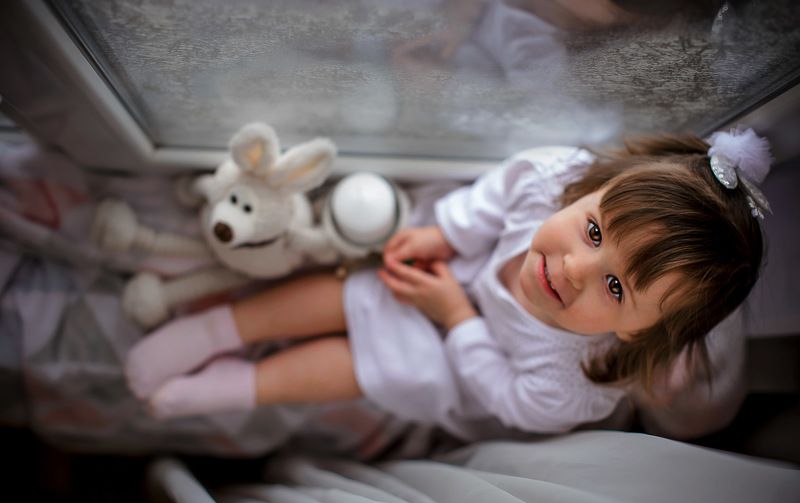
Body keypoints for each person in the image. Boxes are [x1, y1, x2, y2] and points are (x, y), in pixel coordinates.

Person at [124, 127, 770, 441]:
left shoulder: (575, 385)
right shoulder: (553, 180)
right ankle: (210, 330)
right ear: (592, 191)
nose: (574, 268)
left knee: (370, 367)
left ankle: (233, 386)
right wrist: (447, 235)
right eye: (595, 231)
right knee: (360, 288)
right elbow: (494, 197)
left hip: (458, 360)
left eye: (617, 290)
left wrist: (458, 319)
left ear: (637, 332)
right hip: (459, 268)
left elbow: (505, 396)